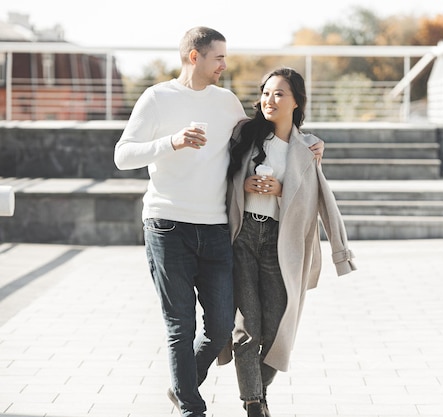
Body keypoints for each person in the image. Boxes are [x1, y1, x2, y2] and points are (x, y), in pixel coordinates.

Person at [114, 28, 324, 417]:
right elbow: (122, 155)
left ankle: (182, 386)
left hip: (215, 229)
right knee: (180, 326)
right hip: (166, 225)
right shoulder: (157, 98)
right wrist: (171, 142)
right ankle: (192, 408)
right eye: (219, 58)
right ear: (195, 57)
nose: (225, 65)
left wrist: (310, 140)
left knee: (220, 330)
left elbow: (264, 131)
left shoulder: (226, 102)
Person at [224, 67, 357, 417]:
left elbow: (318, 199)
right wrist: (244, 185)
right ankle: (254, 405)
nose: (270, 100)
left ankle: (258, 393)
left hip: (281, 245)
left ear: (296, 101)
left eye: (279, 93)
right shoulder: (245, 135)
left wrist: (283, 191)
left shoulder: (306, 148)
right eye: (266, 93)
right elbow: (220, 178)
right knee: (246, 329)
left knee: (277, 329)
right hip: (243, 237)